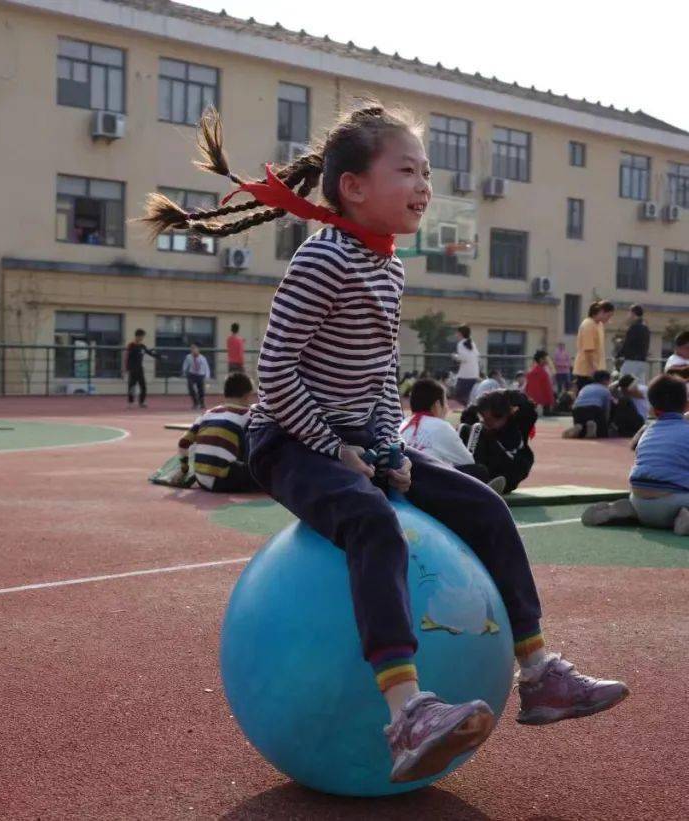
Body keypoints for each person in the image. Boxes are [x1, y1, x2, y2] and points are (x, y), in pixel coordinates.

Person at [143, 104, 627, 782]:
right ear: (353, 187)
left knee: (486, 507)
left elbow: (376, 376)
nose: (424, 184)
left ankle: (540, 671)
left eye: (427, 171)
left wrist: (389, 449)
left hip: (354, 440)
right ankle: (406, 712)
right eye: (407, 169)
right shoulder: (321, 261)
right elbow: (274, 373)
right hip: (287, 439)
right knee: (371, 522)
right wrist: (330, 447)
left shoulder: (389, 267)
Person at [581, 375, 689, 535]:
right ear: (686, 404)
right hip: (675, 504)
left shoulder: (647, 431)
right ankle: (685, 518)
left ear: (652, 407)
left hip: (639, 501)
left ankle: (628, 510)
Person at [399, 378, 504, 492]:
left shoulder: (402, 425)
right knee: (478, 471)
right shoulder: (441, 426)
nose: (447, 408)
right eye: (446, 402)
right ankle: (481, 496)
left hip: (403, 487)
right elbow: (467, 461)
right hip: (430, 489)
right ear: (437, 405)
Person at [169, 372, 258, 492]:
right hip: (224, 479)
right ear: (247, 395)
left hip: (202, 479)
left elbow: (183, 442)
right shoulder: (248, 414)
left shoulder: (208, 413)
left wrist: (184, 470)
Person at [459, 389, 538, 494]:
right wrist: (477, 406)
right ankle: (469, 478)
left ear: (506, 415)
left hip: (510, 469)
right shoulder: (483, 430)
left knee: (477, 428)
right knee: (465, 428)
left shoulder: (519, 424)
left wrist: (506, 395)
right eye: (484, 419)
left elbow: (527, 406)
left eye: (491, 420)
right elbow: (467, 415)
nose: (487, 423)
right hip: (484, 470)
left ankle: (477, 482)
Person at [572, 300, 615, 390]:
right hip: (587, 372)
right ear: (601, 312)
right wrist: (595, 372)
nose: (608, 319)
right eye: (608, 316)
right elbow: (588, 350)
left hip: (596, 370)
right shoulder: (588, 325)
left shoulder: (599, 325)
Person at [563, 370, 613, 439]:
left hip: (577, 410)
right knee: (602, 433)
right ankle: (592, 426)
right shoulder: (605, 390)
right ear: (605, 380)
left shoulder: (586, 387)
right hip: (593, 408)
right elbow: (607, 410)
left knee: (582, 427)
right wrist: (605, 423)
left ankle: (579, 427)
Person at [616, 304, 650, 383]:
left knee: (624, 383)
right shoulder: (645, 328)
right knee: (639, 385)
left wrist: (618, 355)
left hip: (631, 361)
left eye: (629, 313)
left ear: (633, 313)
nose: (628, 315)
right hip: (642, 361)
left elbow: (627, 344)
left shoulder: (634, 328)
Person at [123, 329, 156, 409]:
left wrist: (159, 357)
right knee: (132, 386)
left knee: (143, 386)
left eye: (143, 337)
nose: (142, 338)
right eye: (141, 336)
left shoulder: (142, 346)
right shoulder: (131, 345)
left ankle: (142, 402)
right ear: (137, 336)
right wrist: (126, 368)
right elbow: (126, 357)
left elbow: (150, 353)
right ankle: (130, 403)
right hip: (132, 369)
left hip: (140, 369)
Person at [452, 326, 480, 405]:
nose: (455, 334)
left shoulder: (460, 344)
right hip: (474, 374)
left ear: (460, 333)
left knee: (460, 398)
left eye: (457, 332)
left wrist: (455, 356)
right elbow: (477, 356)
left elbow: (464, 358)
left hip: (465, 375)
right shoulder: (472, 343)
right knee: (468, 397)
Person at [524, 350, 555, 416]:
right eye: (546, 358)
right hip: (540, 404)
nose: (548, 360)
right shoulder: (538, 372)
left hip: (542, 403)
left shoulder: (540, 370)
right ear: (541, 359)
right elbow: (535, 391)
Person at [182, 343, 211, 410]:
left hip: (200, 375)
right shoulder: (188, 357)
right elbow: (185, 364)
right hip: (192, 374)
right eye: (192, 348)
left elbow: (206, 367)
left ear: (198, 349)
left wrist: (207, 376)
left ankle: (202, 403)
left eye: (194, 348)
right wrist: (184, 371)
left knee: (201, 390)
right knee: (190, 388)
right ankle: (195, 403)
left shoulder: (202, 358)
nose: (193, 350)